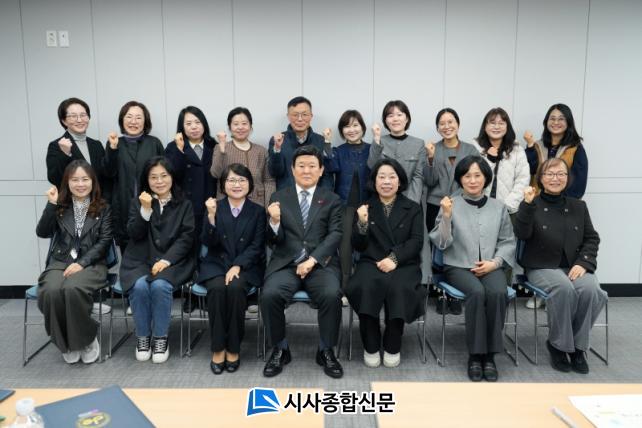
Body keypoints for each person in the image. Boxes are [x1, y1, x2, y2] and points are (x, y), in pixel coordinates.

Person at [514, 158, 606, 374]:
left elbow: (592, 238)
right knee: (563, 289)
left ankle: (578, 348)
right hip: (541, 266)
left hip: (574, 266)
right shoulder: (531, 203)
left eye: (560, 174)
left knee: (592, 290)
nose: (555, 178)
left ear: (567, 178)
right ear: (541, 178)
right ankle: (559, 346)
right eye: (550, 174)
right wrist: (527, 205)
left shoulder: (579, 206)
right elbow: (522, 234)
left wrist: (584, 263)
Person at [429, 155, 516, 382]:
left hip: (491, 266)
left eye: (478, 175)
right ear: (460, 179)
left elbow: (508, 241)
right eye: (467, 176)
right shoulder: (450, 204)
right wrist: (446, 217)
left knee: (497, 292)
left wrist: (495, 263)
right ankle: (476, 356)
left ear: (486, 178)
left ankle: (490, 356)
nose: (473, 180)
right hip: (457, 266)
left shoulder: (498, 207)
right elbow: (441, 243)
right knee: (477, 293)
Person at [261, 145, 344, 379]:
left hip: (321, 264)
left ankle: (326, 350)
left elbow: (336, 234)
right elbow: (272, 241)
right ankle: (280, 349)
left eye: (312, 166)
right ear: (292, 169)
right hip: (286, 263)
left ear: (321, 170)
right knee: (270, 295)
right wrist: (274, 222)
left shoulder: (332, 199)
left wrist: (313, 260)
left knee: (331, 295)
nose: (306, 170)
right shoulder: (279, 197)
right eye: (301, 166)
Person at [345, 159, 425, 368]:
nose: (386, 182)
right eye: (381, 177)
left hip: (404, 263)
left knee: (400, 288)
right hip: (371, 262)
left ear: (400, 181)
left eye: (392, 177)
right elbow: (358, 245)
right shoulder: (365, 207)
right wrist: (362, 223)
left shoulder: (413, 208)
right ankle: (370, 345)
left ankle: (392, 344)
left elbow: (416, 242)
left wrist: (394, 259)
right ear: (374, 181)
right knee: (363, 286)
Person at [119, 157, 195, 363]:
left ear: (172, 177)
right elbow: (134, 234)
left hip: (174, 261)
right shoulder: (138, 202)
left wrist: (166, 260)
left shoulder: (184, 204)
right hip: (140, 260)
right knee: (140, 286)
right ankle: (143, 337)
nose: (159, 181)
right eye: (153, 177)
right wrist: (145, 210)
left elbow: (187, 238)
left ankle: (161, 337)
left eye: (164, 176)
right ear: (146, 180)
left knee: (160, 285)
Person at [36, 160, 112, 364]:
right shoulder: (60, 206)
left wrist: (82, 263)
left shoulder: (104, 207)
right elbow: (42, 232)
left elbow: (105, 241)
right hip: (60, 261)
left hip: (92, 263)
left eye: (85, 179)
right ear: (67, 183)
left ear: (93, 181)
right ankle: (66, 342)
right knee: (50, 291)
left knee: (72, 288)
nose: (80, 184)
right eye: (75, 180)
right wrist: (51, 205)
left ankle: (85, 338)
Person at [196, 164, 266, 375]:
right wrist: (211, 217)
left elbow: (257, 246)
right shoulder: (214, 207)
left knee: (235, 288)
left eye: (242, 180)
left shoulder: (258, 211)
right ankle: (218, 348)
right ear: (223, 184)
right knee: (217, 289)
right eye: (231, 180)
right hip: (217, 263)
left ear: (249, 184)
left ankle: (233, 347)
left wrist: (238, 265)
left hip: (246, 265)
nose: (237, 185)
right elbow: (208, 242)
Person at [424, 108, 479, 315]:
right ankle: (441, 294)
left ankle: (455, 294)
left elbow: (477, 179)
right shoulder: (433, 149)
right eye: (442, 123)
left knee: (459, 247)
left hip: (463, 204)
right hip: (436, 205)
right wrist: (430, 158)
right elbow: (429, 181)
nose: (447, 126)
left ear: (458, 124)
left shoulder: (470, 149)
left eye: (451, 122)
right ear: (437, 127)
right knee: (438, 248)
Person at [104, 101, 165, 249]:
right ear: (122, 120)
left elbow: (165, 174)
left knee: (155, 246)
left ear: (145, 121)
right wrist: (112, 148)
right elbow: (108, 173)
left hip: (152, 204)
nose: (133, 121)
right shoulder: (115, 143)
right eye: (129, 117)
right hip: (123, 206)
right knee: (128, 249)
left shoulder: (154, 143)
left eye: (138, 117)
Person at [323, 109, 371, 288]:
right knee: (344, 248)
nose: (352, 130)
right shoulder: (338, 151)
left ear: (362, 127)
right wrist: (327, 143)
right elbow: (331, 167)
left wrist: (378, 141)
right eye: (347, 126)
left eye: (355, 125)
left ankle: (364, 286)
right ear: (342, 131)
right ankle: (345, 288)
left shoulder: (371, 149)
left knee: (367, 246)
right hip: (344, 205)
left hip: (368, 205)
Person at [165, 106, 217, 238]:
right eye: (188, 123)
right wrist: (179, 150)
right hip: (185, 207)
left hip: (210, 205)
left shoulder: (213, 145)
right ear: (182, 127)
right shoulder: (173, 147)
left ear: (204, 124)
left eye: (197, 122)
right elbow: (172, 175)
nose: (194, 127)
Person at [46, 98, 111, 198]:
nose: (79, 120)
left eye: (83, 115)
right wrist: (65, 154)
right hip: (72, 203)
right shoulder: (56, 145)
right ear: (64, 121)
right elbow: (54, 179)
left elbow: (106, 176)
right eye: (73, 116)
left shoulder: (96, 144)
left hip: (98, 203)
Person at [211, 107, 275, 206]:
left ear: (250, 126)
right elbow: (215, 174)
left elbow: (269, 181)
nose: (240, 127)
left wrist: (268, 206)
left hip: (257, 204)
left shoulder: (261, 151)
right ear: (230, 127)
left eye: (244, 123)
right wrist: (222, 150)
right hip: (228, 206)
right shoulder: (221, 148)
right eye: (236, 124)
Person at [267, 96, 333, 190]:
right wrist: (277, 149)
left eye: (304, 114)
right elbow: (275, 173)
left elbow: (327, 174)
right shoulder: (278, 140)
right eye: (295, 115)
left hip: (315, 196)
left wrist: (324, 196)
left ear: (311, 116)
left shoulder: (321, 140)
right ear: (288, 116)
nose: (300, 119)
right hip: (287, 195)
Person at [523, 103, 588, 199]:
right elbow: (530, 171)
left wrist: (562, 202)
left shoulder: (575, 148)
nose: (556, 122)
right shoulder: (537, 146)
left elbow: (579, 184)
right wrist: (530, 146)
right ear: (546, 122)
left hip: (562, 203)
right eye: (552, 119)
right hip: (536, 202)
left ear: (568, 122)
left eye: (561, 119)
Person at [473, 107, 530, 216]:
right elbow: (472, 177)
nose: (497, 127)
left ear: (507, 127)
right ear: (485, 126)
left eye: (501, 123)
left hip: (508, 211)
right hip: (478, 208)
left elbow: (522, 180)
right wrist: (489, 160)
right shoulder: (475, 148)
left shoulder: (517, 150)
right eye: (492, 123)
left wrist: (508, 206)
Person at [368, 100, 425, 204]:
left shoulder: (418, 143)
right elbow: (372, 166)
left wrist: (412, 203)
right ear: (385, 120)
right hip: (382, 199)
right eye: (390, 116)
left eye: (399, 115)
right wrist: (376, 138)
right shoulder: (379, 141)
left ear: (406, 118)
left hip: (409, 198)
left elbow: (418, 176)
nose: (395, 119)